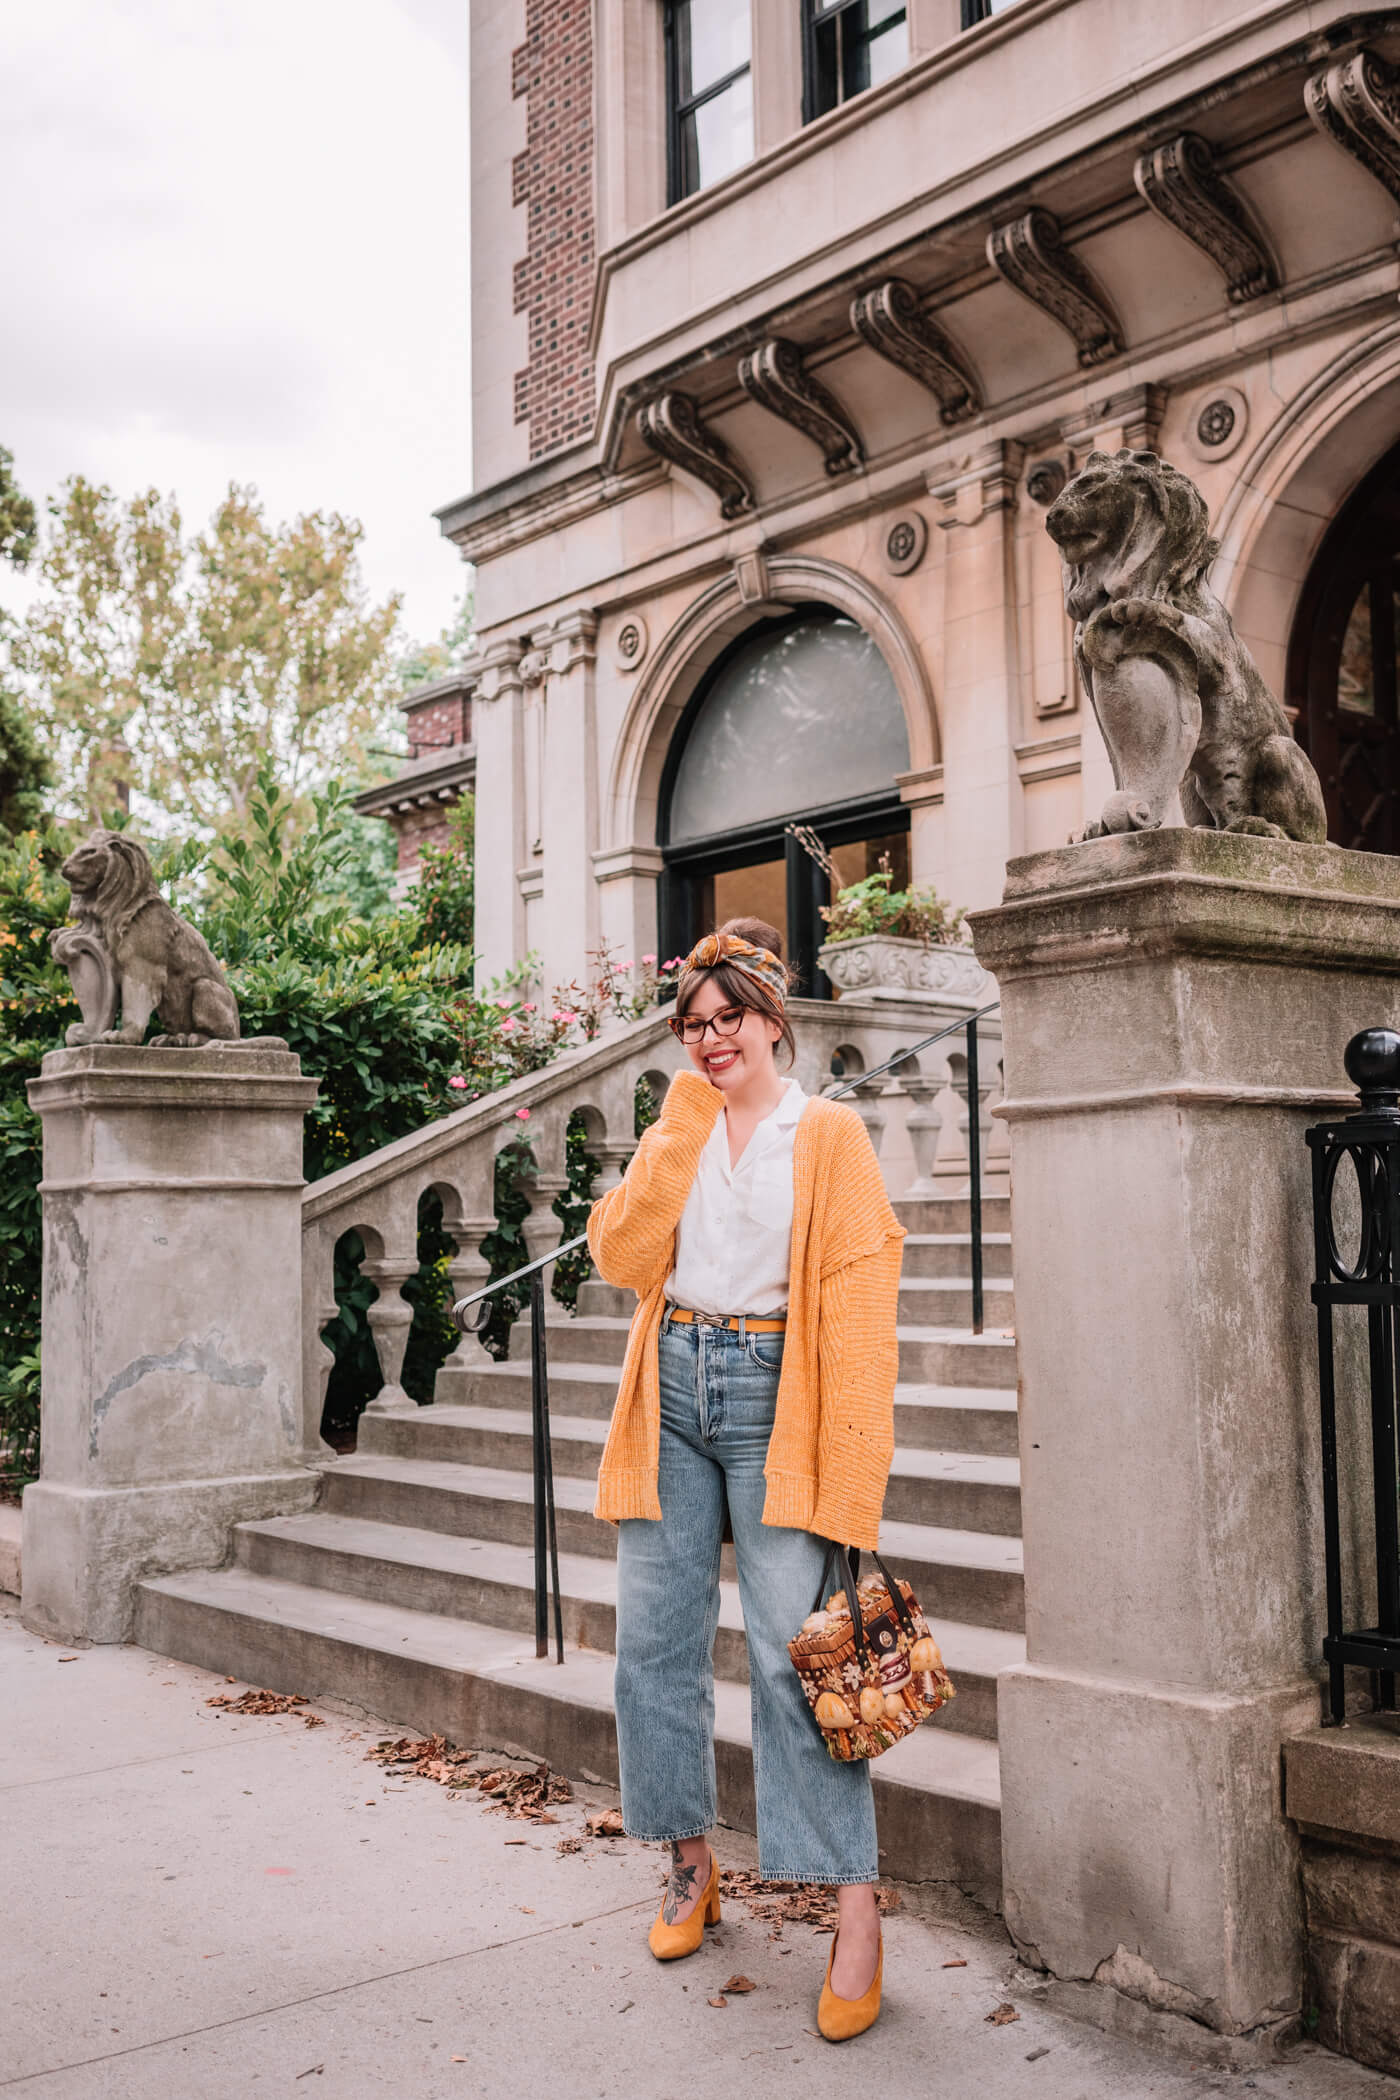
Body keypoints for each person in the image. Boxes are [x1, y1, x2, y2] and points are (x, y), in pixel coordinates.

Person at [585, 917, 906, 2043]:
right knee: (653, 1650)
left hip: (780, 1393)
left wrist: (851, 1471)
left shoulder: (828, 1134)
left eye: (731, 1019)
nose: (714, 1040)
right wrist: (678, 1127)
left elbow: (863, 1308)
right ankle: (687, 1867)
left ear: (773, 1018)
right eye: (694, 1025)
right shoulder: (680, 1124)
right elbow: (620, 1260)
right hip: (669, 1385)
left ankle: (853, 1906)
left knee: (792, 1657)